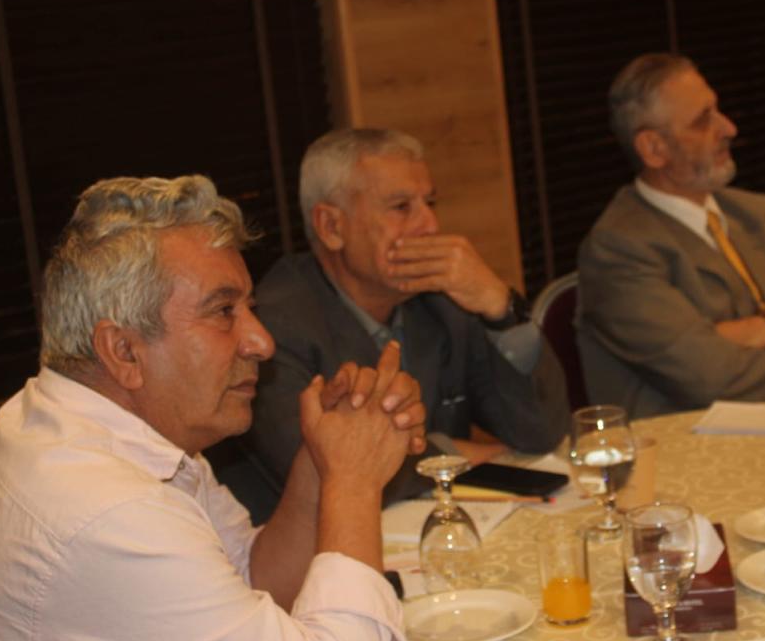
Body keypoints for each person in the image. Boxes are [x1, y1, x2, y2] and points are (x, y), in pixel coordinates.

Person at [0, 175, 427, 641]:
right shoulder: (104, 510)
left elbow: (253, 580)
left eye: (250, 308)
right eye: (224, 312)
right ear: (123, 351)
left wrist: (322, 460)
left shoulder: (96, 430)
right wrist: (354, 481)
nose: (262, 342)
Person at [214, 128, 569, 521]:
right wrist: (448, 451)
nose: (429, 225)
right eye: (401, 207)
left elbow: (541, 432)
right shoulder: (272, 325)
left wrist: (500, 307)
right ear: (331, 227)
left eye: (430, 203)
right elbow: (324, 473)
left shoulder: (442, 300)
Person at [577, 53, 765, 418]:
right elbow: (706, 376)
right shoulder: (618, 249)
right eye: (703, 120)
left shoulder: (763, 215)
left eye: (717, 110)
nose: (729, 128)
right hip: (695, 445)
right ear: (654, 149)